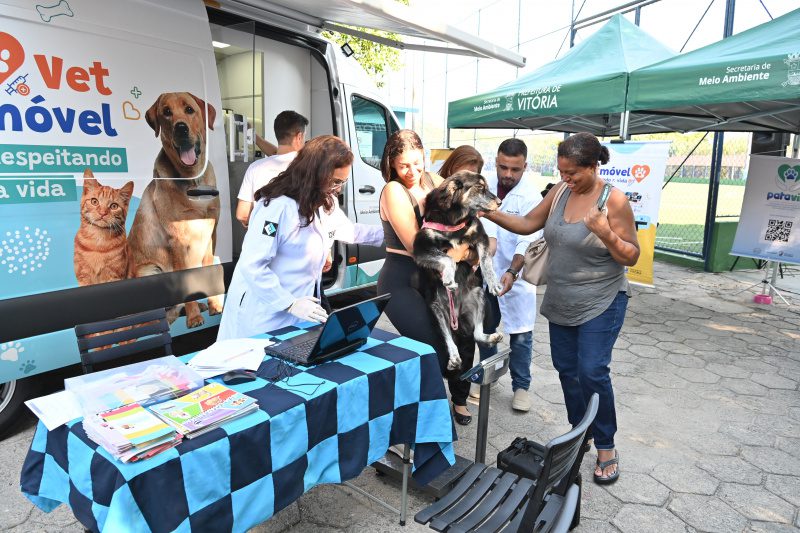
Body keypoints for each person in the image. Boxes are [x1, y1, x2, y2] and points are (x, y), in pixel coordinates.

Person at [483, 132, 639, 485]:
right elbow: (526, 224)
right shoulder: (560, 192)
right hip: (562, 300)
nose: (566, 179)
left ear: (593, 166)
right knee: (567, 370)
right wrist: (485, 211)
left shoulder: (612, 201)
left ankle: (606, 446)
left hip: (603, 298)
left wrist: (605, 233)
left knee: (592, 371)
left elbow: (632, 254)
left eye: (573, 173)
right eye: (562, 172)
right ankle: (577, 434)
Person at [218, 135, 382, 340]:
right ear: (315, 174)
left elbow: (350, 231)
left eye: (343, 182)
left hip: (299, 314)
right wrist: (289, 303)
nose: (338, 189)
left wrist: (392, 235)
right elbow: (253, 265)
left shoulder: (324, 201)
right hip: (263, 315)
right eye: (334, 182)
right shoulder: (277, 207)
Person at [376, 130, 475, 426]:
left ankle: (458, 400)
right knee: (434, 348)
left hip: (438, 275)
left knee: (465, 336)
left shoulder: (432, 181)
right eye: (404, 165)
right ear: (391, 163)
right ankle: (421, 411)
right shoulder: (393, 191)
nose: (413, 172)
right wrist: (463, 250)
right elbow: (418, 247)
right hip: (403, 278)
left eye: (418, 163)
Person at [478, 138, 541, 412]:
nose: (508, 174)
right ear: (496, 162)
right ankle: (487, 380)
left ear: (525, 166)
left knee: (521, 334)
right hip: (486, 272)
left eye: (515, 169)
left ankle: (521, 387)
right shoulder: (483, 186)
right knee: (487, 330)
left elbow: (527, 239)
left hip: (517, 275)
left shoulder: (531, 196)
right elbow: (480, 224)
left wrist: (513, 271)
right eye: (503, 167)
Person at [236, 110, 309, 228]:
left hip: (263, 241)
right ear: (299, 136)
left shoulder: (255, 168)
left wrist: (259, 226)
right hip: (295, 240)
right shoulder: (307, 165)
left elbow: (242, 215)